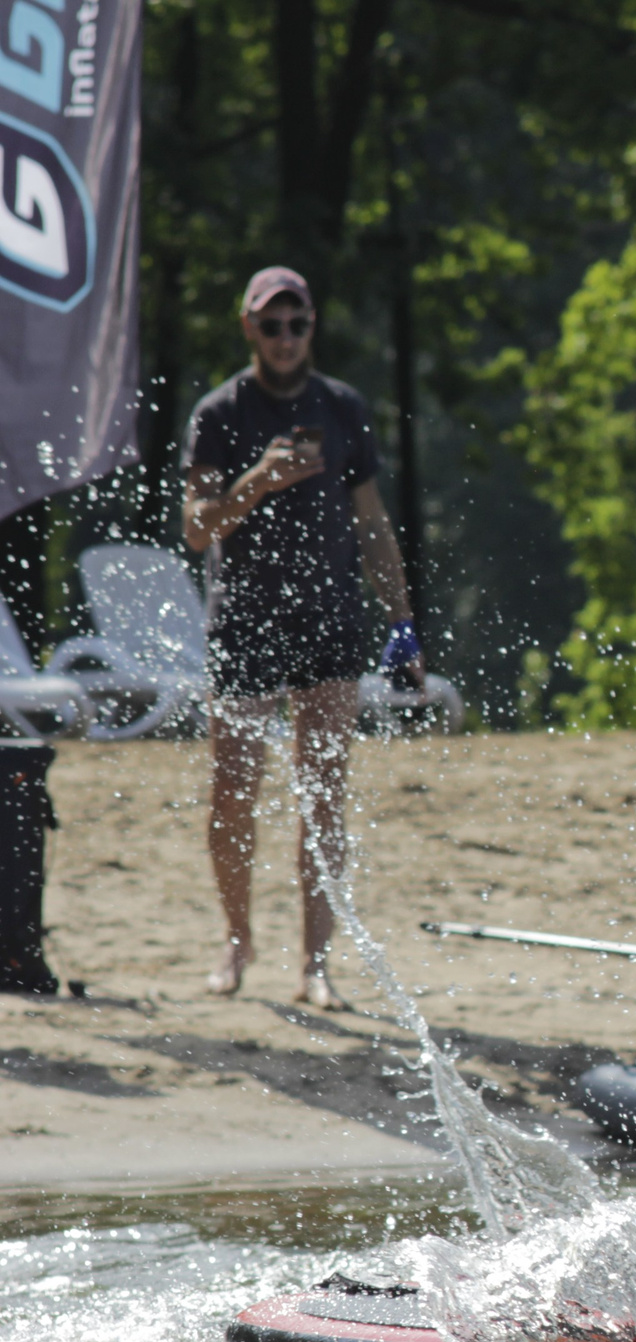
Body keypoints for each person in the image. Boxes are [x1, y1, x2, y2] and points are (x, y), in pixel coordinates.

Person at [182, 266, 425, 1009]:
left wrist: (404, 622)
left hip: (329, 622)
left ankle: (315, 964)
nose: (286, 337)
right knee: (234, 795)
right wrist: (258, 480)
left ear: (312, 325)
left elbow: (373, 523)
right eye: (272, 323)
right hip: (246, 623)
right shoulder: (220, 412)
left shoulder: (344, 407)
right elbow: (197, 530)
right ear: (249, 327)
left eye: (298, 323)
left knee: (324, 796)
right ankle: (236, 939)